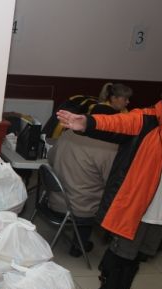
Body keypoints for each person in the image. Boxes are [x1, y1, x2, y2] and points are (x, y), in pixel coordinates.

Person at [57, 70, 162, 289]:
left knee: (140, 256)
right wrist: (86, 123)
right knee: (122, 253)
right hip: (138, 204)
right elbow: (117, 123)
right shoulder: (148, 119)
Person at [47, 103, 126, 257]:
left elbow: (50, 158)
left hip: (56, 200)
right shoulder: (108, 147)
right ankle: (80, 245)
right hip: (81, 208)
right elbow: (112, 182)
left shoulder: (68, 133)